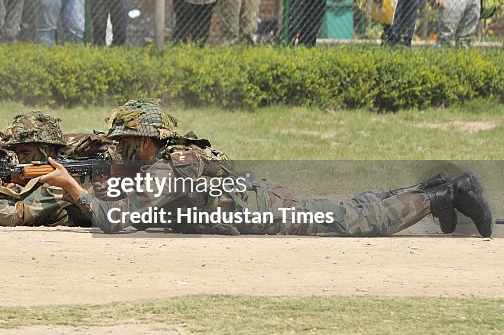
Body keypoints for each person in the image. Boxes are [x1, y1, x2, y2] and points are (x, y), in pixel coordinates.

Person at [39, 100, 493, 237]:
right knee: (346, 208)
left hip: (264, 212)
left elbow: (115, 219)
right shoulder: (158, 163)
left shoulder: (169, 170)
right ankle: (431, 187)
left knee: (351, 222)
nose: (118, 151)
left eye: (124, 143)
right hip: (256, 200)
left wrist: (69, 187)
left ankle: (444, 195)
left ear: (147, 141)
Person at [0, 111, 93, 227]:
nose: (21, 159)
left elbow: (16, 216)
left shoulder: (63, 177)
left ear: (47, 151)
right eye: (18, 153)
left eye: (25, 153)